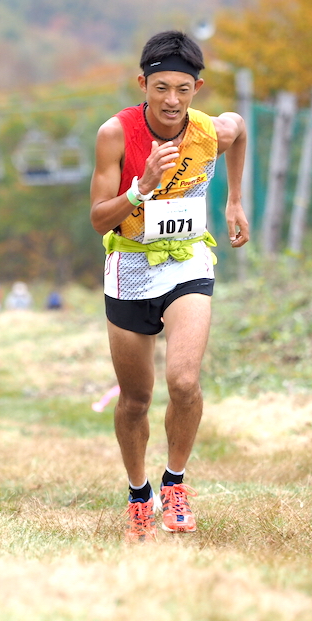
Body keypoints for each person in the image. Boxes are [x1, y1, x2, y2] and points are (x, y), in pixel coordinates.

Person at [89, 30, 250, 542]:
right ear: (143, 83)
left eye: (183, 89)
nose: (172, 101)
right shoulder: (115, 134)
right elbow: (97, 220)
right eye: (161, 88)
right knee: (136, 399)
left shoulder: (208, 131)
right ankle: (140, 493)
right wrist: (140, 189)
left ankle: (175, 483)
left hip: (186, 262)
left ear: (197, 87)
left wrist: (234, 201)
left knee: (183, 382)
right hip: (131, 266)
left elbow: (238, 129)